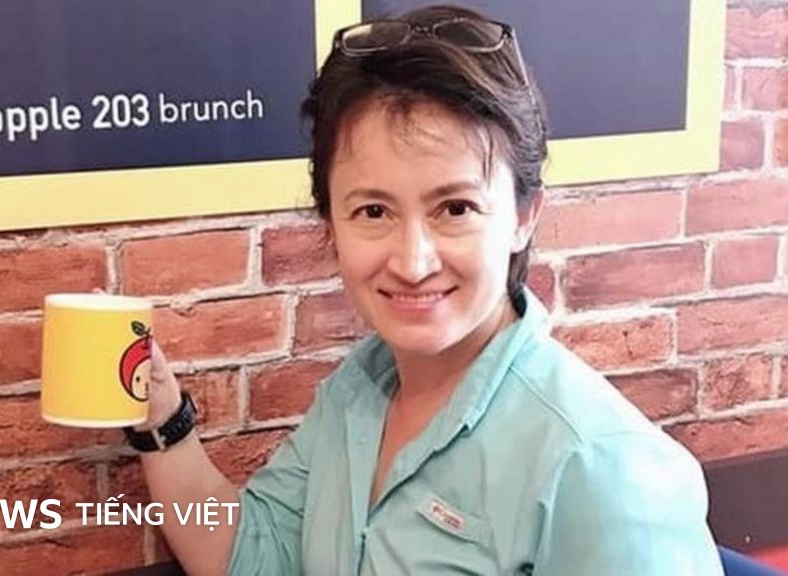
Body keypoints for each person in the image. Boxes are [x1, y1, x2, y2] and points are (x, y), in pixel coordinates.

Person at [130, 4, 723, 575]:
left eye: (455, 208)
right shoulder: (357, 393)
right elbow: (253, 556)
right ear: (331, 222)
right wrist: (163, 419)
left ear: (523, 217)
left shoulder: (602, 470)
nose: (412, 263)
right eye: (373, 212)